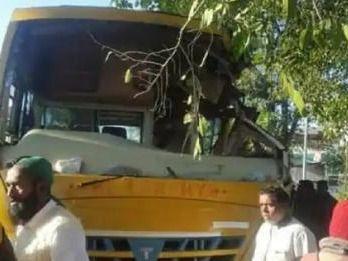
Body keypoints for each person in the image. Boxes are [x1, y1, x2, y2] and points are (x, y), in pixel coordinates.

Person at [5, 156, 89, 261]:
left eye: (17, 186)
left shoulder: (63, 229)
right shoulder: (24, 222)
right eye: (8, 185)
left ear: (41, 188)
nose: (9, 193)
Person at [252, 185, 317, 261]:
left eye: (270, 205)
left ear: (284, 206)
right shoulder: (263, 228)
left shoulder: (300, 232)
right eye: (261, 205)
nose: (264, 209)